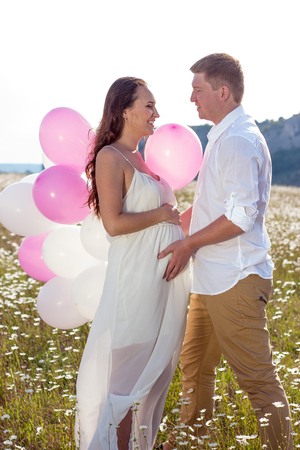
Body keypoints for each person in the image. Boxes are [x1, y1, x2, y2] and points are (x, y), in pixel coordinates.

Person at [159, 53, 293, 449]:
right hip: (211, 278)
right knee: (196, 365)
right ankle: (190, 441)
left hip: (235, 280)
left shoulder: (238, 140)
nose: (191, 99)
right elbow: (212, 207)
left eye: (197, 90)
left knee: (257, 378)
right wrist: (166, 224)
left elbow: (240, 217)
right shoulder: (222, 134)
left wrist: (188, 244)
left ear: (223, 91)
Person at [75, 77, 190, 450]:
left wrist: (205, 208)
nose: (156, 114)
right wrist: (161, 215)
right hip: (134, 284)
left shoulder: (142, 159)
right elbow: (114, 223)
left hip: (159, 285)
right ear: (124, 110)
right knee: (123, 387)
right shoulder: (111, 156)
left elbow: (170, 219)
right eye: (149, 106)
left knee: (148, 382)